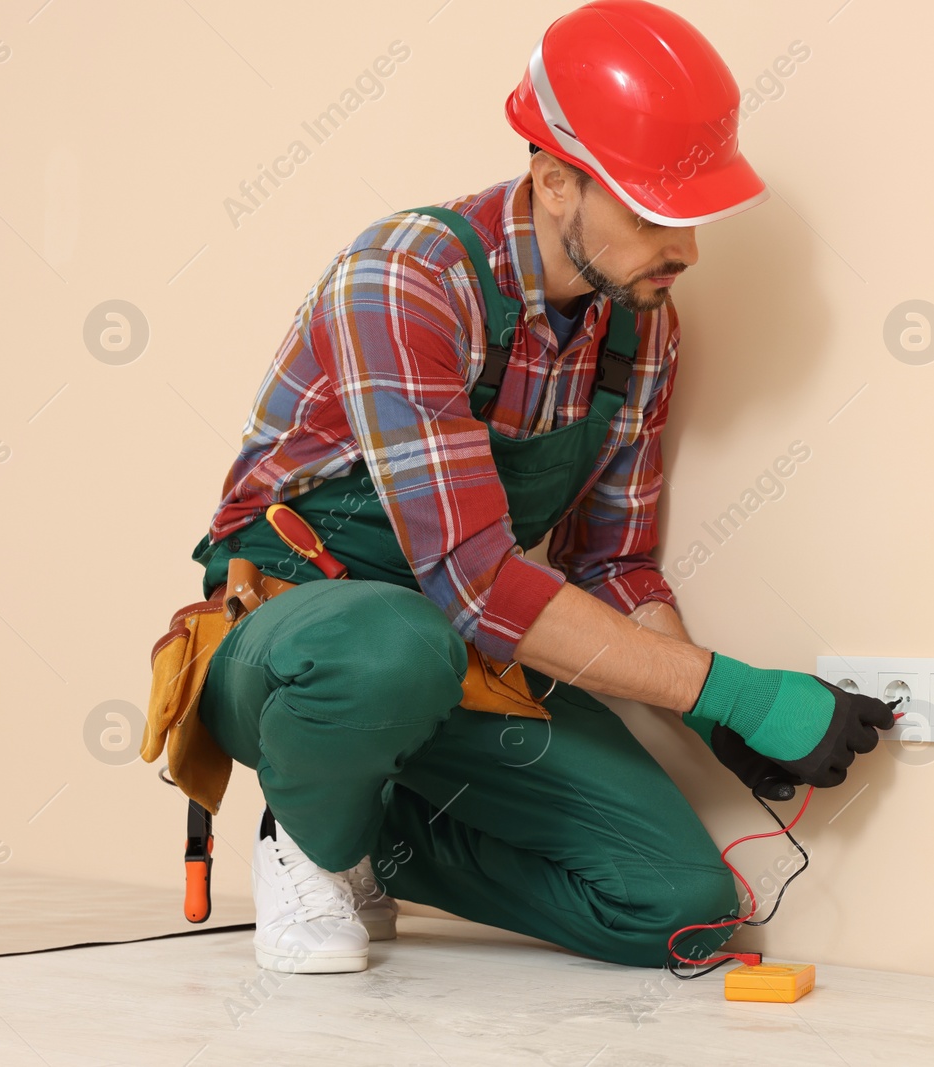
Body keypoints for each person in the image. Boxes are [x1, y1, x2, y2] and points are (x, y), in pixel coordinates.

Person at [180, 0, 895, 974]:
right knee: (388, 641)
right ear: (555, 179)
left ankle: (365, 830)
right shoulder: (406, 278)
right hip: (296, 644)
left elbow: (612, 565)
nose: (684, 252)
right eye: (652, 214)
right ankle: (307, 836)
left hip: (465, 656)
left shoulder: (641, 326)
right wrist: (733, 688)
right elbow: (475, 579)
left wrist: (709, 715)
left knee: (679, 912)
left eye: (693, 218)